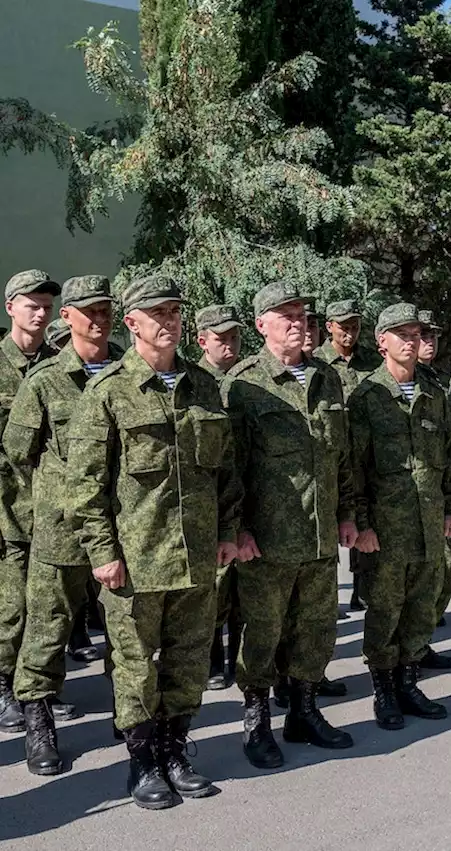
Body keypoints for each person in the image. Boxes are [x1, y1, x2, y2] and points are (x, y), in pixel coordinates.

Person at [65, 274, 242, 808]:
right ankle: (142, 763)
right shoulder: (109, 392)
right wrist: (102, 554)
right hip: (135, 561)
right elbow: (85, 486)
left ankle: (176, 751)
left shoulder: (204, 386)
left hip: (198, 556)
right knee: (136, 665)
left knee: (188, 660)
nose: (168, 321)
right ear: (132, 322)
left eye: (174, 312)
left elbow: (226, 472)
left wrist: (229, 533)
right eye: (156, 313)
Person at [224, 281, 358, 769]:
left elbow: (340, 458)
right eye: (287, 317)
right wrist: (237, 530)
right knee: (262, 631)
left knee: (316, 628)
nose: (299, 324)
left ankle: (303, 711)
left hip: (321, 535)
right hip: (268, 540)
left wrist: (348, 514)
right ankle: (256, 719)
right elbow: (230, 469)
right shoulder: (243, 385)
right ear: (261, 325)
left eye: (303, 315)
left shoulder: (327, 378)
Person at [4, 275, 120, 775]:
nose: (98, 320)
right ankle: (37, 719)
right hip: (59, 527)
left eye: (105, 311)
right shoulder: (46, 379)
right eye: (87, 311)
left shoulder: (125, 370)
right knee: (46, 628)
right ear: (67, 318)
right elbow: (17, 452)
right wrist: (56, 494)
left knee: (124, 628)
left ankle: (132, 715)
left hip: (122, 526)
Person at [348, 304, 451, 726]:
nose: (411, 340)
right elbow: (353, 467)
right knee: (385, 609)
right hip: (386, 529)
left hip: (428, 522)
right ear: (382, 342)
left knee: (420, 607)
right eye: (401, 333)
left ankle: (409, 682)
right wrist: (362, 524)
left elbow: (450, 455)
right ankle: (384, 690)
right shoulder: (366, 397)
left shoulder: (434, 392)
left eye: (416, 333)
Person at [0, 270, 62, 734]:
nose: (40, 313)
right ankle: (5, 687)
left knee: (48, 608)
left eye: (45, 305)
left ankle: (38, 692)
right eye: (31, 304)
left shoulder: (60, 365)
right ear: (10, 308)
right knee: (10, 607)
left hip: (51, 509)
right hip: (5, 509)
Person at [315, 300, 380, 614]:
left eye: (354, 327)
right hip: (334, 456)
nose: (349, 333)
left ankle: (363, 588)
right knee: (334, 522)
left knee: (365, 521)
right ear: (329, 326)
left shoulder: (371, 361)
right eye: (343, 327)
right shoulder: (317, 364)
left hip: (367, 454)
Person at [194, 304, 244, 690]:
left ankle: (236, 660)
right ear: (202, 341)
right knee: (213, 590)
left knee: (243, 593)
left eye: (234, 338)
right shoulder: (196, 383)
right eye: (221, 339)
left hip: (245, 495)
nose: (229, 345)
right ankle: (210, 660)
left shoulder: (249, 380)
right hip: (209, 501)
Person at [414, 309, 451, 672]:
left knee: (442, 572)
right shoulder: (376, 387)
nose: (428, 342)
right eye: (421, 334)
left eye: (432, 336)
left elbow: (450, 448)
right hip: (398, 509)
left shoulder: (437, 384)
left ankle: (420, 642)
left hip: (434, 501)